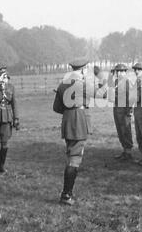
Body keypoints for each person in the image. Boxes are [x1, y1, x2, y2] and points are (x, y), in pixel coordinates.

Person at [53, 58, 103, 205]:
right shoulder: (84, 84)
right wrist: (100, 78)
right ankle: (66, 194)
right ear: (82, 70)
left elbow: (56, 108)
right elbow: (104, 94)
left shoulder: (63, 84)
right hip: (79, 121)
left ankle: (67, 192)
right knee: (75, 158)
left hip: (68, 120)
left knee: (70, 155)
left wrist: (69, 109)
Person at [0, 66, 19, 174]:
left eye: (4, 75)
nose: (3, 77)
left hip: (7, 118)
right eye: (1, 75)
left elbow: (14, 103)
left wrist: (16, 118)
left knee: (5, 144)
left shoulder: (10, 87)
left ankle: (1, 166)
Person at [107, 64, 134, 161]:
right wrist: (111, 75)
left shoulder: (127, 81)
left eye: (120, 71)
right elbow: (109, 85)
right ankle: (125, 150)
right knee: (120, 130)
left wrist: (129, 111)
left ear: (124, 72)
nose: (118, 73)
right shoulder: (117, 81)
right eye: (117, 71)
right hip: (117, 107)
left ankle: (128, 151)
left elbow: (130, 97)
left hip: (124, 109)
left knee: (125, 130)